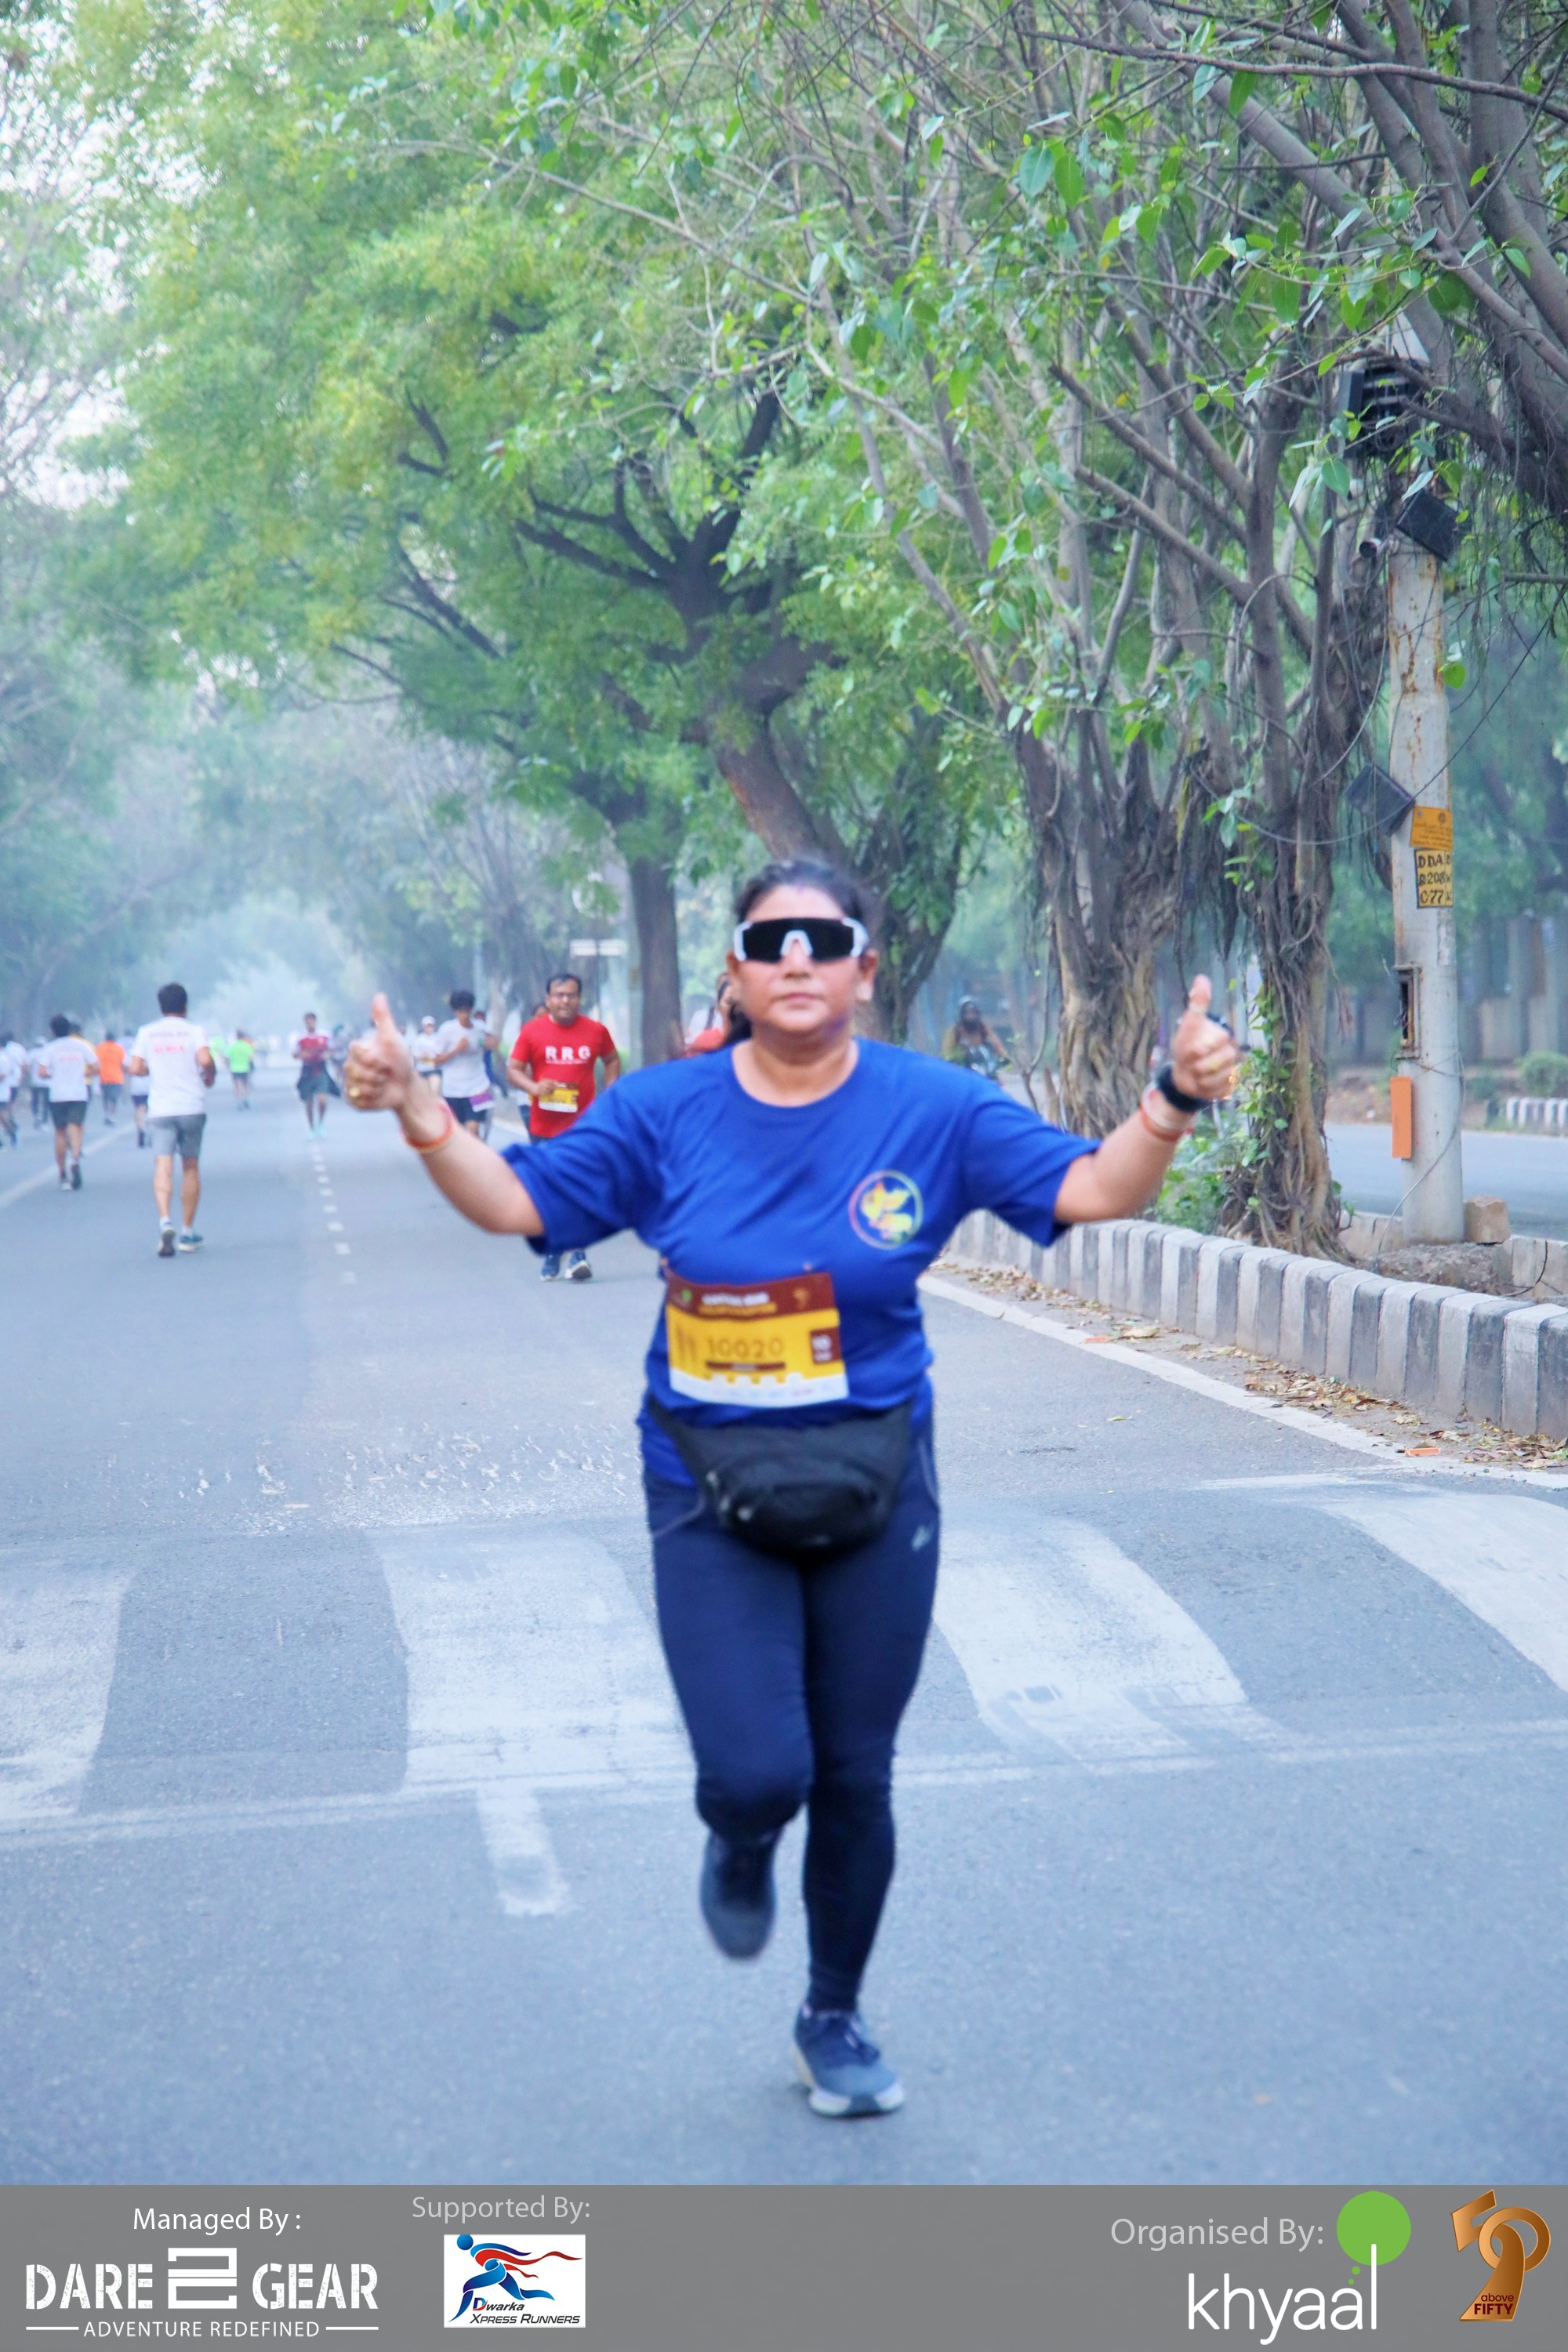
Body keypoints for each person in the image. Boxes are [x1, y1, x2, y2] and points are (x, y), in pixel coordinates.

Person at [344, 856, 1238, 2120]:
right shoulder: (663, 1112)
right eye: (772, 943)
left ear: (866, 969)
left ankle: (833, 2013)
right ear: (738, 973)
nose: (799, 960)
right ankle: (743, 1828)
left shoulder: (935, 1106)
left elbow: (1092, 1186)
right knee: (763, 1771)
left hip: (879, 1480)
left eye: (825, 939)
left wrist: (1174, 1096)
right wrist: (420, 1109)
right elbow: (517, 1203)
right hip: (707, 1488)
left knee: (857, 1772)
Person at [506, 974, 621, 1281]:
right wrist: (534, 1087)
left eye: (571, 995)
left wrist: (610, 1092)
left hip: (585, 1125)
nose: (565, 1000)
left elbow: (611, 1060)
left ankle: (579, 1253)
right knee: (551, 1190)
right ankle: (554, 1249)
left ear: (579, 999)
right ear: (548, 999)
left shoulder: (595, 1031)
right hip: (544, 1124)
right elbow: (514, 1069)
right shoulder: (532, 1031)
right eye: (559, 995)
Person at [129, 982, 216, 1256]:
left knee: (162, 1166)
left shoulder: (148, 1032)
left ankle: (165, 1221)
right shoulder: (194, 1031)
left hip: (160, 1109)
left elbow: (135, 1067)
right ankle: (187, 1232)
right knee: (190, 1166)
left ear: (161, 1006)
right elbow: (205, 1060)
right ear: (185, 1006)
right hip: (191, 1107)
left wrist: (150, 1069)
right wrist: (210, 1074)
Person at [38, 1016, 96, 1190]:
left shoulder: (50, 1048)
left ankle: (63, 1175)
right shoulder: (81, 1046)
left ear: (53, 1031)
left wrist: (54, 1075)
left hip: (58, 1095)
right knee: (75, 1127)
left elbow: (42, 1072)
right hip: (78, 1093)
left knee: (60, 1133)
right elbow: (96, 1066)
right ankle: (75, 1159)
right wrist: (84, 1075)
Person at [431, 989, 499, 1138]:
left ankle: (477, 1152)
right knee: (459, 1132)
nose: (465, 1015)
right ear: (455, 1011)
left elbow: (491, 1043)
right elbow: (436, 1062)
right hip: (453, 1089)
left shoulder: (480, 1028)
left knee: (474, 1129)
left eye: (468, 1011)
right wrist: (456, 1050)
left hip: (479, 1086)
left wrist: (492, 1045)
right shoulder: (447, 1030)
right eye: (461, 1012)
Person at [942, 996, 1009, 1082]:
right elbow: (947, 1051)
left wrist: (1004, 1057)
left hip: (983, 1065)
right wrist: (952, 1060)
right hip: (963, 1068)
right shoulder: (955, 1030)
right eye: (968, 1013)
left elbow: (996, 1044)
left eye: (973, 1013)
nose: (971, 1016)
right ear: (962, 1014)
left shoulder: (983, 1028)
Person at [686, 975, 748, 1054]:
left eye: (739, 1003)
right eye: (729, 1002)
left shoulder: (757, 1040)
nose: (734, 1008)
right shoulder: (703, 1039)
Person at [293, 1012, 335, 1128]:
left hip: (321, 1070)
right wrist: (302, 1055)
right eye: (307, 1022)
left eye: (312, 1021)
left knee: (322, 1100)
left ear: (315, 1021)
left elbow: (331, 1050)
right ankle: (311, 1127)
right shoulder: (300, 1037)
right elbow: (295, 1054)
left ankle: (321, 1122)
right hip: (307, 1071)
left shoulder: (324, 1036)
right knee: (309, 1102)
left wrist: (327, 1055)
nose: (310, 1024)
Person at [96, 1030, 126, 1124]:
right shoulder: (119, 1048)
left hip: (104, 1077)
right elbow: (123, 1062)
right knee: (114, 1099)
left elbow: (96, 1061)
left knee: (106, 1097)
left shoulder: (101, 1047)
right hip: (116, 1078)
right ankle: (112, 1116)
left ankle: (106, 1115)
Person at [0, 1032, 20, 1146]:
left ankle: (12, 1132)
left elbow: (3, 1075)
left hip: (2, 1092)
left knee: (3, 1116)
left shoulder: (3, 1058)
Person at [412, 1017, 441, 1093]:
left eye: (431, 1026)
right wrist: (423, 1055)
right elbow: (415, 1056)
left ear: (434, 1027)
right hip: (422, 1070)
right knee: (425, 1093)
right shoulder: (419, 1040)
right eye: (427, 1026)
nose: (429, 1028)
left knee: (434, 1091)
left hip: (434, 1069)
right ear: (424, 1027)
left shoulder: (439, 1038)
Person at [129, 1050, 151, 1146]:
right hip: (150, 1085)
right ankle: (150, 1131)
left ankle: (141, 1127)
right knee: (150, 1110)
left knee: (139, 1109)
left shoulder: (134, 1051)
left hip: (137, 1085)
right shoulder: (153, 1050)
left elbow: (130, 1068)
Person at [227, 1030, 255, 1106]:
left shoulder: (232, 1046)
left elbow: (227, 1057)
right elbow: (251, 1057)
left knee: (236, 1085)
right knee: (245, 1084)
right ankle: (245, 1098)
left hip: (234, 1068)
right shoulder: (246, 1046)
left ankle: (238, 1100)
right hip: (245, 1068)